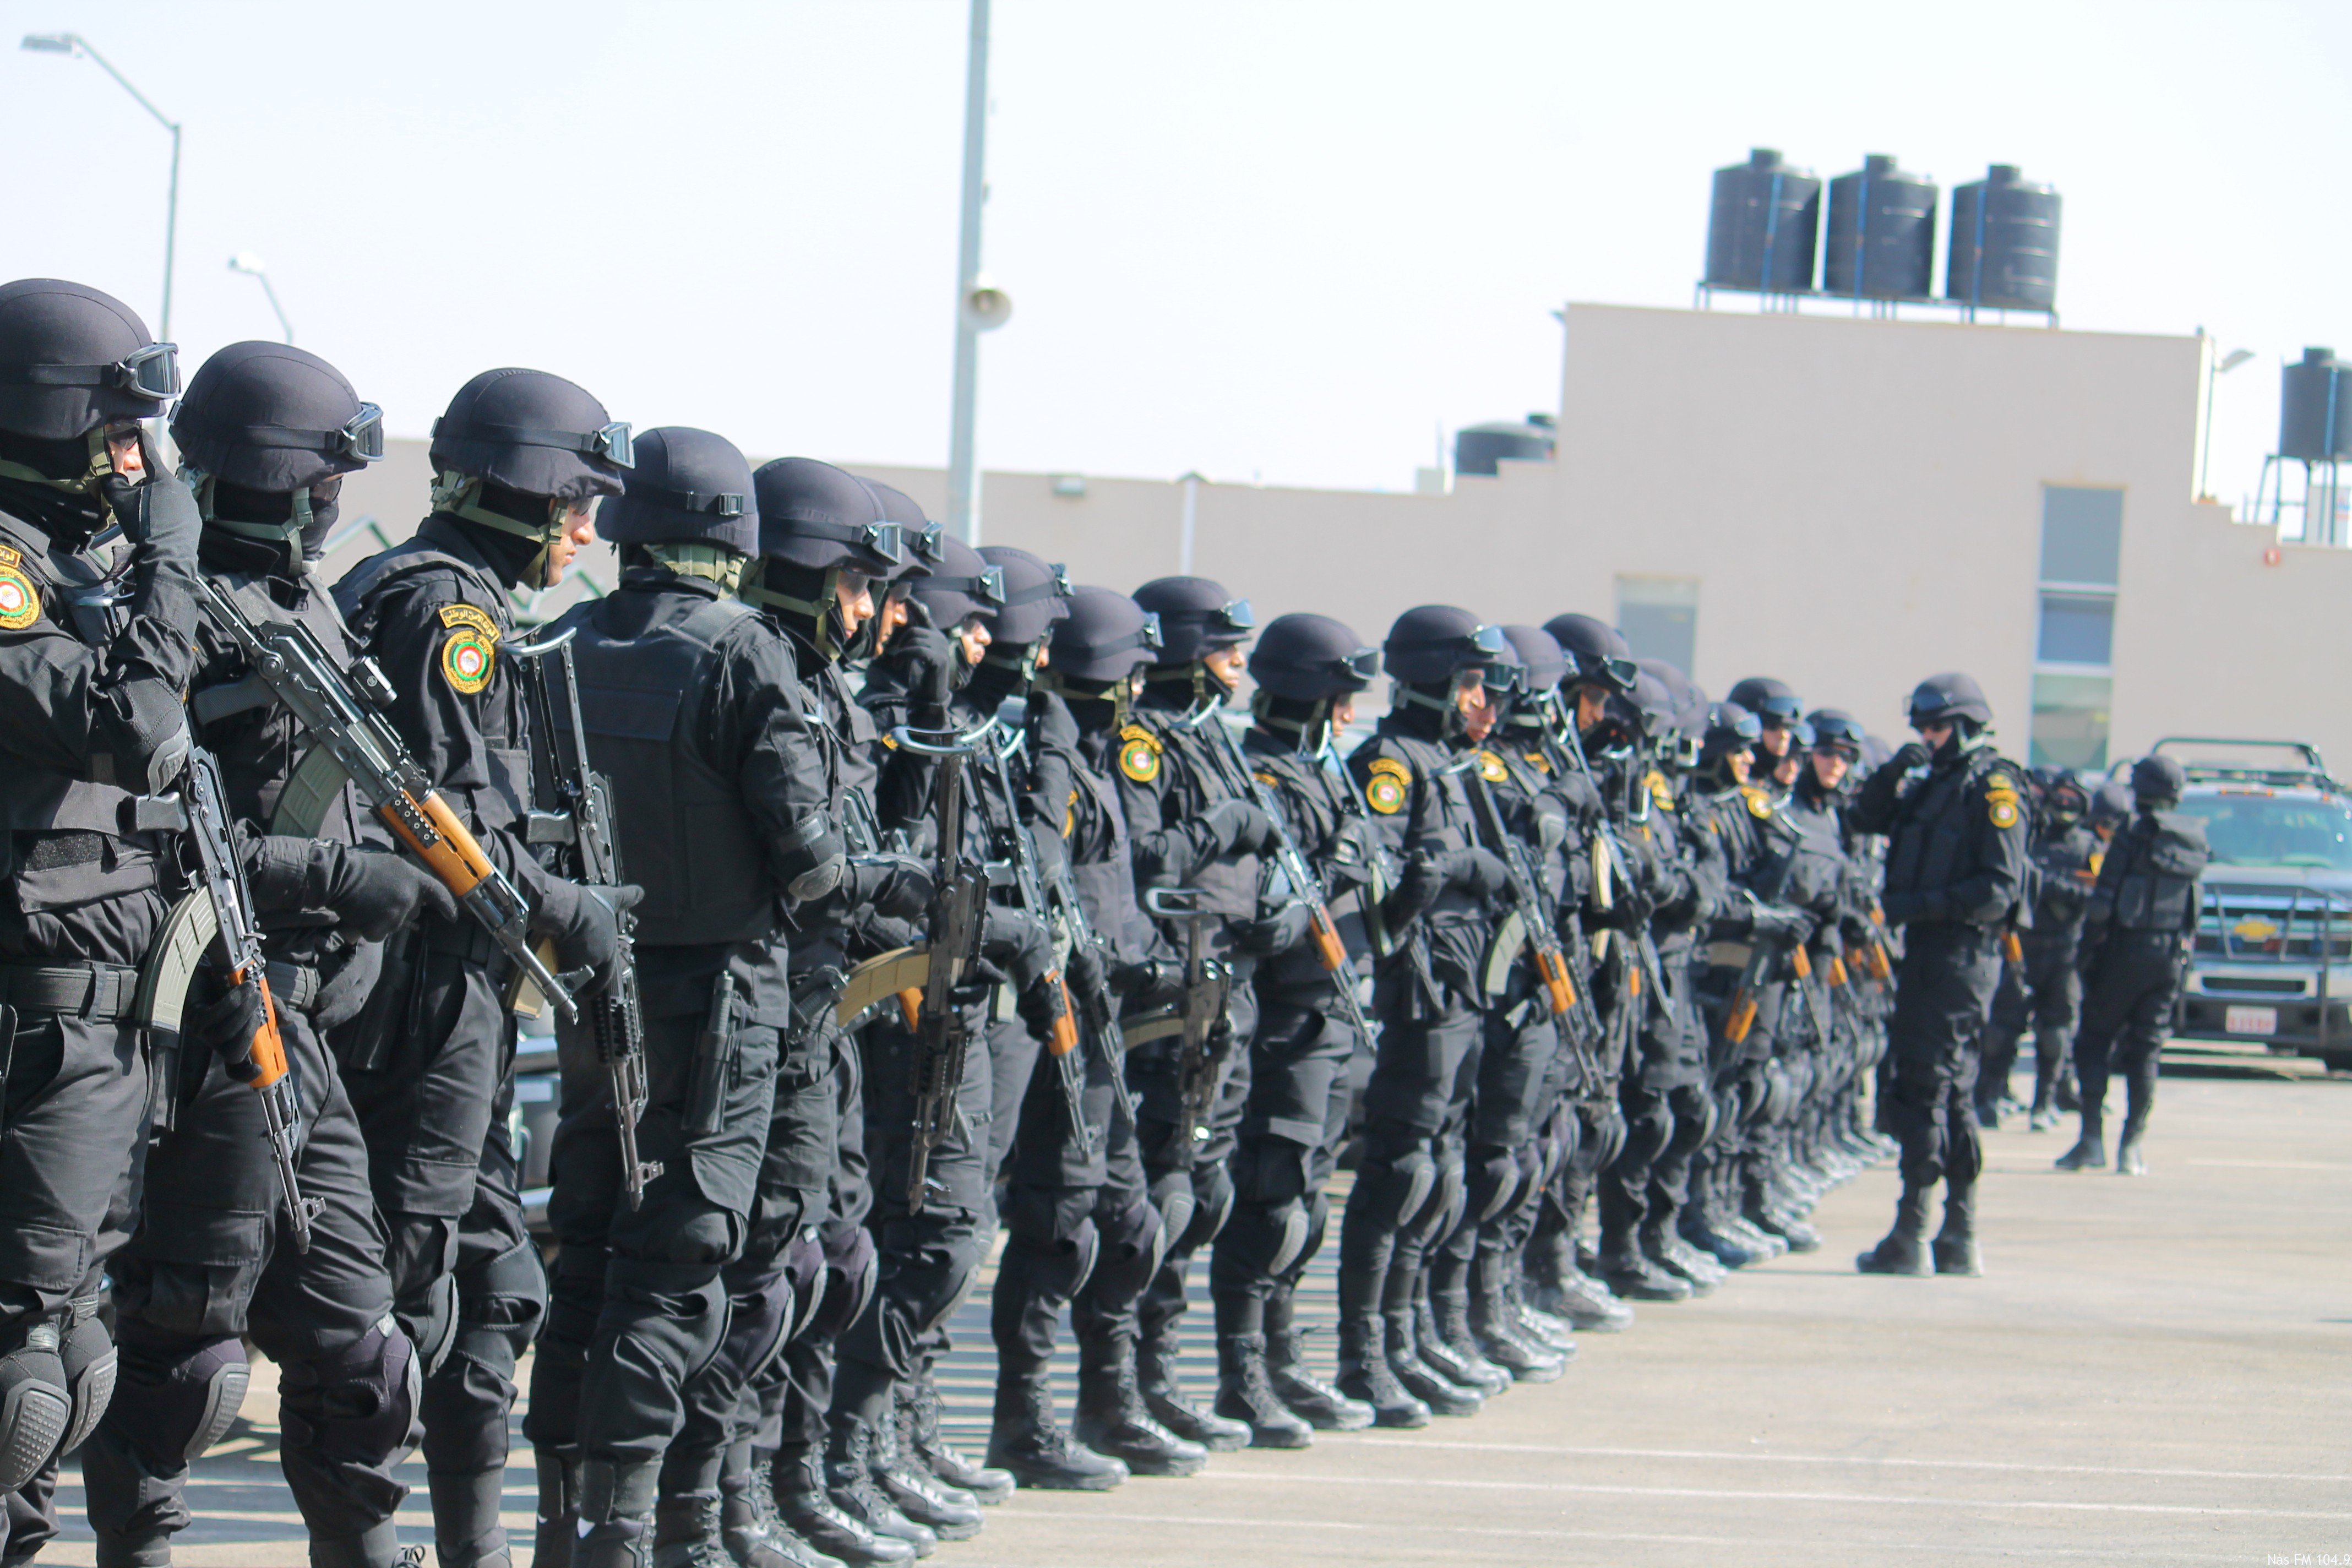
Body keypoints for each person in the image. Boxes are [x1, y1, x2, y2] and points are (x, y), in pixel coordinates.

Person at [86, 342, 455, 1568]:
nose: (336, 500)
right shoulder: (171, 608)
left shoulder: (308, 607)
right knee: (185, 1347)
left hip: (307, 1031)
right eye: (325, 477)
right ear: (284, 477)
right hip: (214, 1019)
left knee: (362, 1350)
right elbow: (156, 831)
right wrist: (333, 877)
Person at [523, 429, 858, 1568]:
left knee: (586, 1256)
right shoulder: (746, 651)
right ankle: (628, 1534)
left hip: (593, 986)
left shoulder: (559, 641)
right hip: (721, 1002)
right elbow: (810, 864)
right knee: (676, 1266)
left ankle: (562, 1524)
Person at [334, 368, 635, 1568]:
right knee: (404, 1287)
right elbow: (442, 824)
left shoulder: (462, 603)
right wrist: (571, 909)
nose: (587, 534)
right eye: (577, 506)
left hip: (461, 992)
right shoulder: (443, 610)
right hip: (419, 996)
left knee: (492, 1279)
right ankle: (366, 1539)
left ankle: (477, 1546)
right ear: (526, 491)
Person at [0, 277, 202, 1566]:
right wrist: (173, 547)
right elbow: (129, 726)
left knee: (63, 1357)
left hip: (99, 1025)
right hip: (32, 1020)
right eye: (122, 430)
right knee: (20, 1373)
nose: (139, 460)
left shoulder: (65, 566)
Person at [990, 585, 1187, 1485]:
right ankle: (1023, 1423)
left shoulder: (1092, 758)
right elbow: (1050, 890)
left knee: (1130, 1223)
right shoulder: (1052, 759)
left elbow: (1107, 893)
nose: (1139, 691)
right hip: (1062, 1021)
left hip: (1105, 1019)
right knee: (1059, 1224)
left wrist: (1145, 963)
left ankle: (1110, 1399)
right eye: (1129, 675)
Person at [1206, 612, 1390, 1443]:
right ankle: (1241, 1373)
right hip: (1286, 1015)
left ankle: (1281, 1359)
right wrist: (1335, 864)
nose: (1348, 715)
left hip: (1333, 1011)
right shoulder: (1262, 776)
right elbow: (1263, 910)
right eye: (1338, 699)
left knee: (1309, 1203)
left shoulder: (1324, 775)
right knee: (1272, 1200)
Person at [1334, 606, 1513, 1426]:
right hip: (1422, 991)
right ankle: (1365, 1353)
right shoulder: (1393, 763)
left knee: (1440, 1171)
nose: (1483, 702)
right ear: (1433, 679)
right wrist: (1463, 866)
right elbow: (1386, 880)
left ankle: (1408, 1340)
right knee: (1401, 1171)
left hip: (1465, 987)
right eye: (1471, 683)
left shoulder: (1451, 761)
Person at [1114, 576, 1270, 1453]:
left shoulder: (1214, 739)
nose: (1237, 664)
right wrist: (1226, 824)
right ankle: (1131, 1384)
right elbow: (1146, 856)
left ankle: (1162, 1375)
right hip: (1172, 989)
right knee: (1167, 1186)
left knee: (1205, 1188)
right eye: (1221, 648)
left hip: (1227, 980)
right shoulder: (1144, 740)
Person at [1847, 673, 2028, 1278]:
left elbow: (1998, 891)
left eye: (1936, 727)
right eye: (1922, 728)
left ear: (1967, 725)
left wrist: (1914, 906)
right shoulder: (1933, 784)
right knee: (1938, 1090)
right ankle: (1951, 1235)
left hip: (1962, 958)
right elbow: (1864, 818)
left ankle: (1916, 1231)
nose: (1927, 737)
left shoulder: (1993, 788)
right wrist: (1893, 772)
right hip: (1926, 954)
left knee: (1930, 1088)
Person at [2057, 755, 2208, 1176]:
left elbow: (2103, 903)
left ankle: (2091, 1141)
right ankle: (2132, 1146)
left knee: (2094, 1042)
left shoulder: (2133, 832)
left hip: (2124, 952)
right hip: (2170, 957)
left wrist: (2084, 954)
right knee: (2146, 1051)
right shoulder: (2193, 837)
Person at [1981, 772, 2102, 1132]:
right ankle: (1989, 1098)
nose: (2063, 806)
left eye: (2072, 800)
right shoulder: (2029, 839)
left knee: (2055, 1033)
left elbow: (2096, 895)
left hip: (2065, 952)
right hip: (2020, 949)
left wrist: (2053, 887)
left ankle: (2044, 1103)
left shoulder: (2090, 848)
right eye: (2058, 798)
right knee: (2001, 1031)